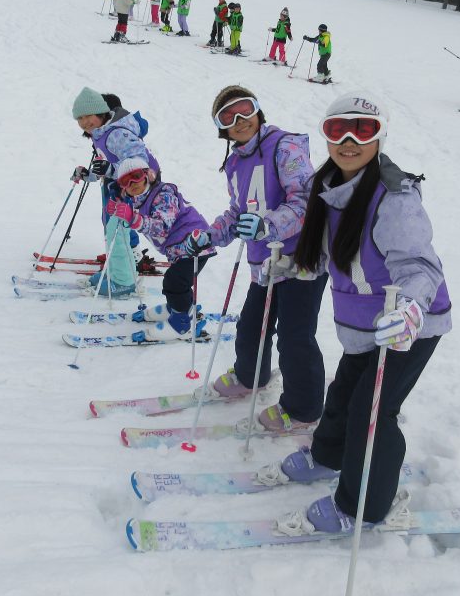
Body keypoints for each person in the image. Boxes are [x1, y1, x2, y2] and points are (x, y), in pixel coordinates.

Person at [271, 90, 451, 536]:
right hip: (364, 325)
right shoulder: (328, 185)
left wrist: (410, 311)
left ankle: (364, 507)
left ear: (380, 137)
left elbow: (419, 266)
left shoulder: (394, 197)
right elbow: (334, 253)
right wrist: (294, 263)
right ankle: (328, 458)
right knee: (344, 396)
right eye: (337, 129)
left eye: (363, 129)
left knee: (372, 414)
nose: (349, 140)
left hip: (409, 325)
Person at [184, 86, 327, 431]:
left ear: (258, 111)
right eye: (228, 117)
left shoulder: (284, 146)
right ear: (222, 128)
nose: (239, 121)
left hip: (300, 260)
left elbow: (307, 199)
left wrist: (269, 225)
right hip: (265, 264)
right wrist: (209, 236)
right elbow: (238, 212)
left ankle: (303, 410)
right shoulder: (235, 163)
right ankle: (250, 376)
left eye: (245, 110)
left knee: (295, 337)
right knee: (251, 328)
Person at [106, 157, 217, 340]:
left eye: (136, 176)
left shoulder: (163, 194)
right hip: (179, 248)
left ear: (147, 175)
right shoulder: (137, 198)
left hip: (195, 243)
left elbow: (163, 227)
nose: (133, 183)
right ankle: (179, 307)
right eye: (126, 181)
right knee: (178, 281)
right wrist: (118, 200)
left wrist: (133, 218)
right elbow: (128, 201)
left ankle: (182, 324)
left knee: (174, 282)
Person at [71, 88, 161, 270]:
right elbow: (106, 162)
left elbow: (138, 161)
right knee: (110, 217)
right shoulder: (100, 133)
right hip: (117, 180)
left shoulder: (116, 133)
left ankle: (131, 253)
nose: (84, 122)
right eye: (79, 118)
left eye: (88, 115)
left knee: (120, 218)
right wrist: (88, 174)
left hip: (137, 181)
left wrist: (110, 169)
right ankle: (119, 250)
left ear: (101, 112)